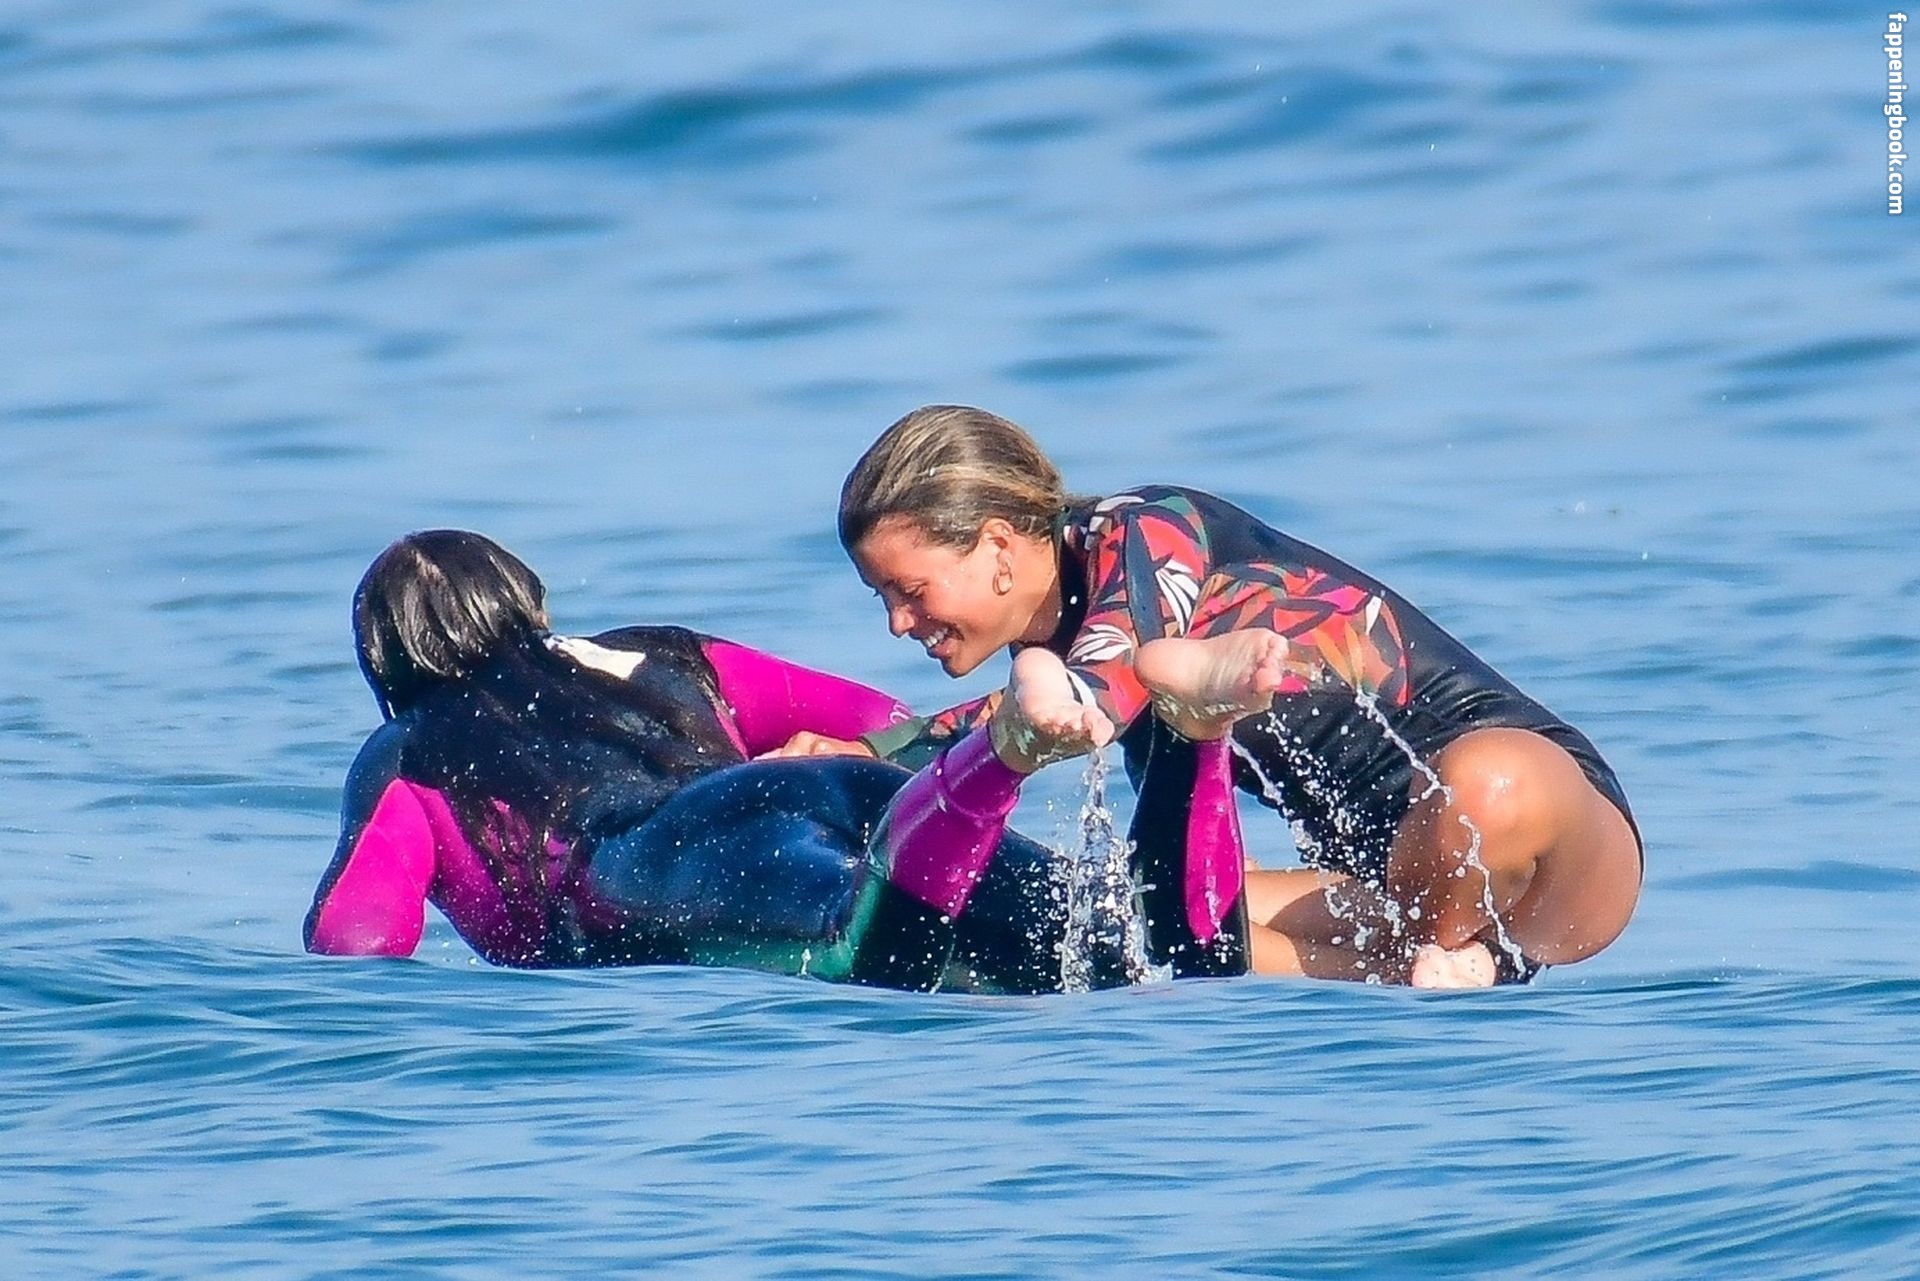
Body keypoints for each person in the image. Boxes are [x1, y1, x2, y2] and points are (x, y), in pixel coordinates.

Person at [772, 405, 1643, 988]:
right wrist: (872, 755)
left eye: (910, 590)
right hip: (1381, 887)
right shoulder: (1070, 644)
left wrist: (914, 745)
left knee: (1483, 782)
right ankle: (1448, 964)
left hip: (1545, 844)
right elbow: (1057, 704)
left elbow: (1102, 679)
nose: (898, 623)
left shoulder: (1149, 529)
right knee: (1144, 927)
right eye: (882, 599)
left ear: (999, 546)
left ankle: (1471, 954)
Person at [305, 530, 1252, 992]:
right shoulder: (662, 656)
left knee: (875, 955)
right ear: (530, 603)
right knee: (1139, 951)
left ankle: (1002, 757)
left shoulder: (409, 752)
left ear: (385, 668)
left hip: (679, 860)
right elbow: (882, 719)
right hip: (834, 786)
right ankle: (1196, 732)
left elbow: (358, 944)